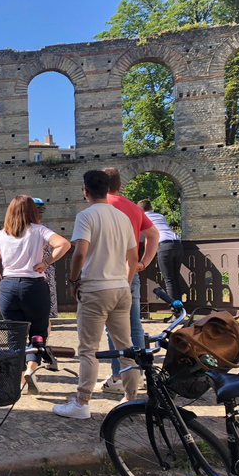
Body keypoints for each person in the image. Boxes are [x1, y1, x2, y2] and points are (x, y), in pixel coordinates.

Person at [52, 171, 140, 419]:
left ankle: (82, 403)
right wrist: (127, 280)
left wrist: (73, 279)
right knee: (126, 347)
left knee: (88, 349)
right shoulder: (122, 217)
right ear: (110, 189)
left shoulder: (86, 216)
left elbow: (80, 252)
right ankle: (131, 400)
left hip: (95, 288)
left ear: (85, 190)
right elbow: (132, 257)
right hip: (121, 287)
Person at [0, 196, 70, 394]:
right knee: (38, 333)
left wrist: (3, 283)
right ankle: (31, 370)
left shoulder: (1, 234)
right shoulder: (39, 231)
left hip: (8, 286)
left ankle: (17, 380)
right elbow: (64, 244)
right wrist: (47, 262)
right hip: (33, 286)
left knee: (14, 336)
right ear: (32, 211)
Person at [101, 167, 159, 396]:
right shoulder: (134, 208)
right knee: (134, 325)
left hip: (108, 274)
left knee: (112, 328)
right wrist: (143, 263)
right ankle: (139, 374)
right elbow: (154, 235)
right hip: (131, 272)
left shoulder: (102, 205)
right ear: (120, 185)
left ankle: (117, 377)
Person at [138, 199, 185, 302]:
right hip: (177, 243)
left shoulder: (141, 217)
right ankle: (181, 309)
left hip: (163, 246)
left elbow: (140, 238)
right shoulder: (160, 216)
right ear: (151, 208)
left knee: (169, 280)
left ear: (139, 210)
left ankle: (175, 313)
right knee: (175, 278)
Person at [32, 198, 59, 319]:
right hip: (46, 269)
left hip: (33, 271)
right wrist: (47, 262)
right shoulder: (47, 230)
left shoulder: (24, 231)